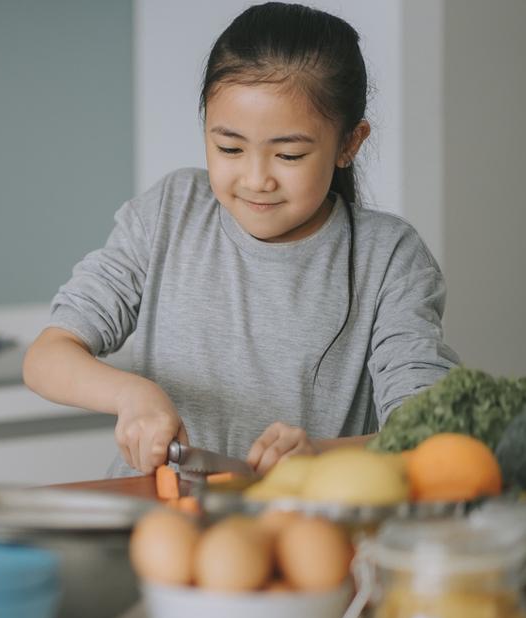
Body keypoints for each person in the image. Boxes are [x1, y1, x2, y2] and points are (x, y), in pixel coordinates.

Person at [23, 2, 459, 479]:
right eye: (229, 148)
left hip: (298, 513)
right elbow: (48, 355)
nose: (256, 180)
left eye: (288, 155)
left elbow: (427, 433)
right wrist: (131, 395)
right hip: (157, 511)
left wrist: (320, 456)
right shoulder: (170, 211)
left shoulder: (390, 256)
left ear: (349, 144)